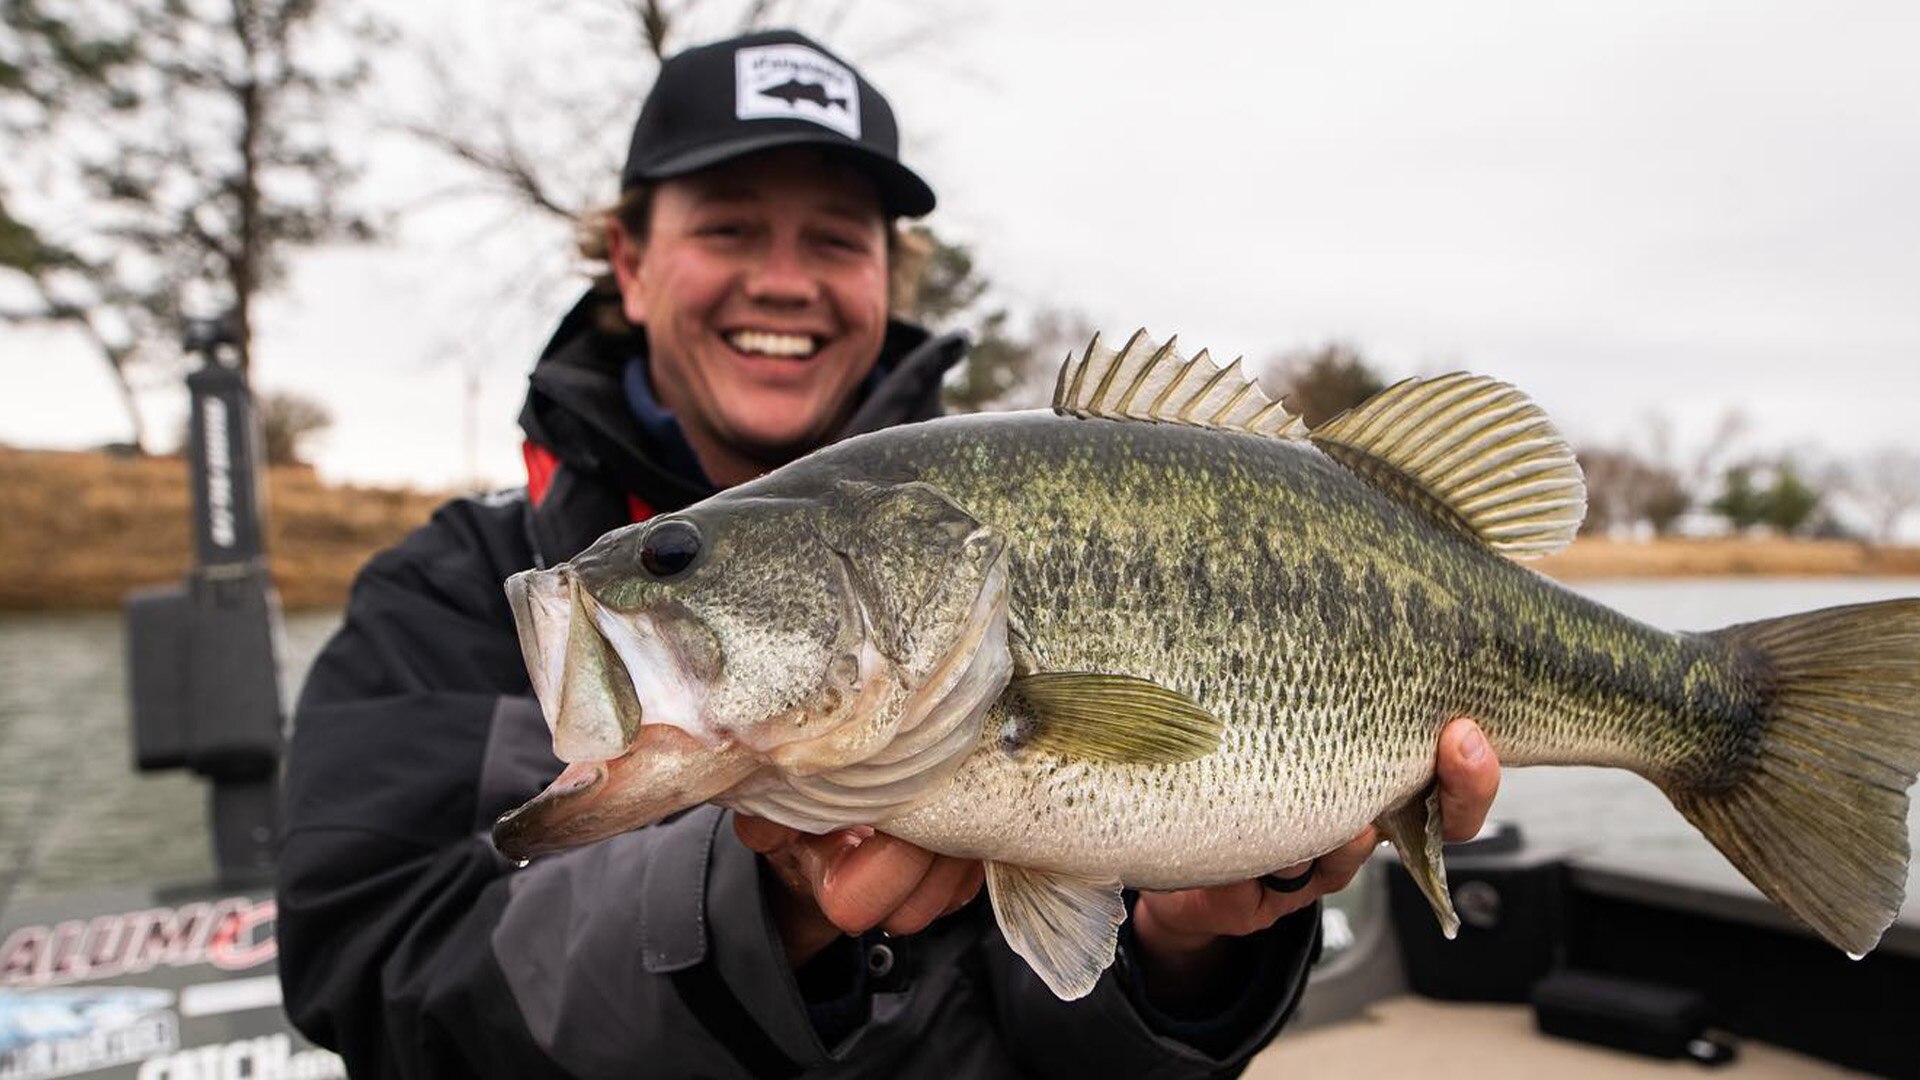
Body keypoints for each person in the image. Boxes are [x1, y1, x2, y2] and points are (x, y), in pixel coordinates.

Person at [275, 28, 1502, 1079]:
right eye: (730, 226)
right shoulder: (442, 595)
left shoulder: (990, 554)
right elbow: (374, 981)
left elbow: (1060, 1035)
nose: (783, 280)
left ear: (886, 276)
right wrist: (761, 904)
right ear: (631, 263)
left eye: (835, 239)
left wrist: (1187, 944)